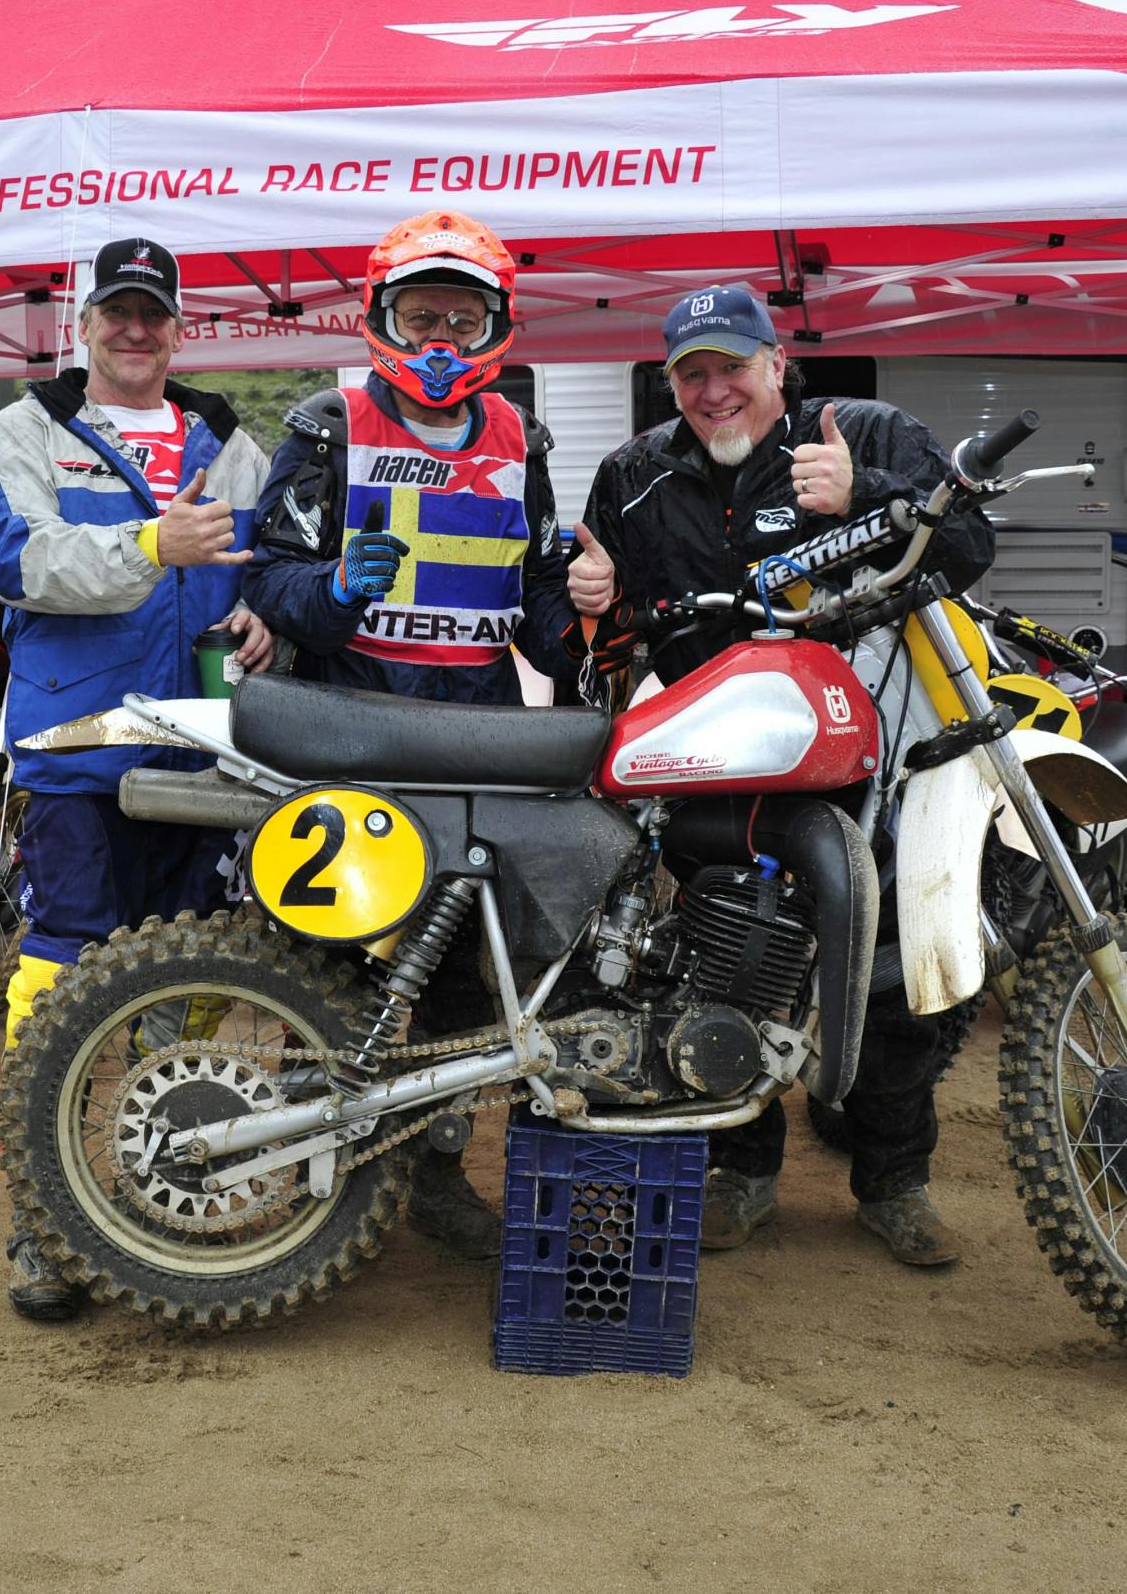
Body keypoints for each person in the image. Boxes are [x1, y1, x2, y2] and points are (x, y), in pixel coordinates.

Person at [559, 284, 996, 1267]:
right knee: (722, 965)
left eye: (732, 367)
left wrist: (866, 496)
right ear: (672, 383)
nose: (715, 392)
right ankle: (744, 1173)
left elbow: (969, 545)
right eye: (692, 374)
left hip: (879, 752)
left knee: (893, 981)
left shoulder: (868, 433)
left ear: (776, 362)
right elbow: (588, 635)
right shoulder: (632, 474)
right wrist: (587, 605)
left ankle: (894, 1183)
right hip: (726, 769)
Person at [242, 209, 574, 1259]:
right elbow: (266, 579)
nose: (439, 340)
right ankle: (314, 1168)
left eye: (461, 319)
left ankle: (433, 1170)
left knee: (466, 964)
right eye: (419, 315)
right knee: (328, 945)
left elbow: (544, 610)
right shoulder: (327, 427)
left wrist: (589, 605)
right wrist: (333, 589)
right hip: (347, 718)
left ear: (495, 328)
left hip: (476, 725)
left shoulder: (525, 442)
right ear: (382, 316)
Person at [0, 236, 274, 1322]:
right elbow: (9, 560)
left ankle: (162, 1189)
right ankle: (44, 1214)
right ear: (83, 325)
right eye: (117, 313)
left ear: (179, 329)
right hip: (77, 749)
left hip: (201, 748)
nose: (135, 332)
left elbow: (271, 562)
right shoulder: (24, 430)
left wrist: (264, 616)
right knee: (60, 974)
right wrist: (151, 544)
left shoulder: (233, 444)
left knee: (186, 977)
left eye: (155, 315)